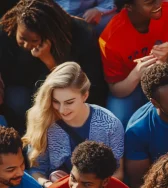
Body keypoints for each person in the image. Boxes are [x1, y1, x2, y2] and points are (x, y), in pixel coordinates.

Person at [0, 0, 105, 134]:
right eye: (22, 39)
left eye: (34, 40)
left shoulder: (81, 34)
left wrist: (50, 61)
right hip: (20, 92)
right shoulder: (7, 30)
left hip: (61, 101)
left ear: (50, 34)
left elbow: (90, 87)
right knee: (17, 99)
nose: (27, 45)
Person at [24, 62, 124, 188]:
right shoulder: (43, 120)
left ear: (85, 96)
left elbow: (117, 173)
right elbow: (36, 171)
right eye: (55, 101)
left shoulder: (110, 123)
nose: (62, 109)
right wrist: (49, 185)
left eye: (69, 102)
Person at [99, 0, 168, 127]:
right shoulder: (110, 38)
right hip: (132, 86)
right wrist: (136, 74)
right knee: (117, 119)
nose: (158, 4)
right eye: (150, 2)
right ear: (128, 6)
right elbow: (116, 89)